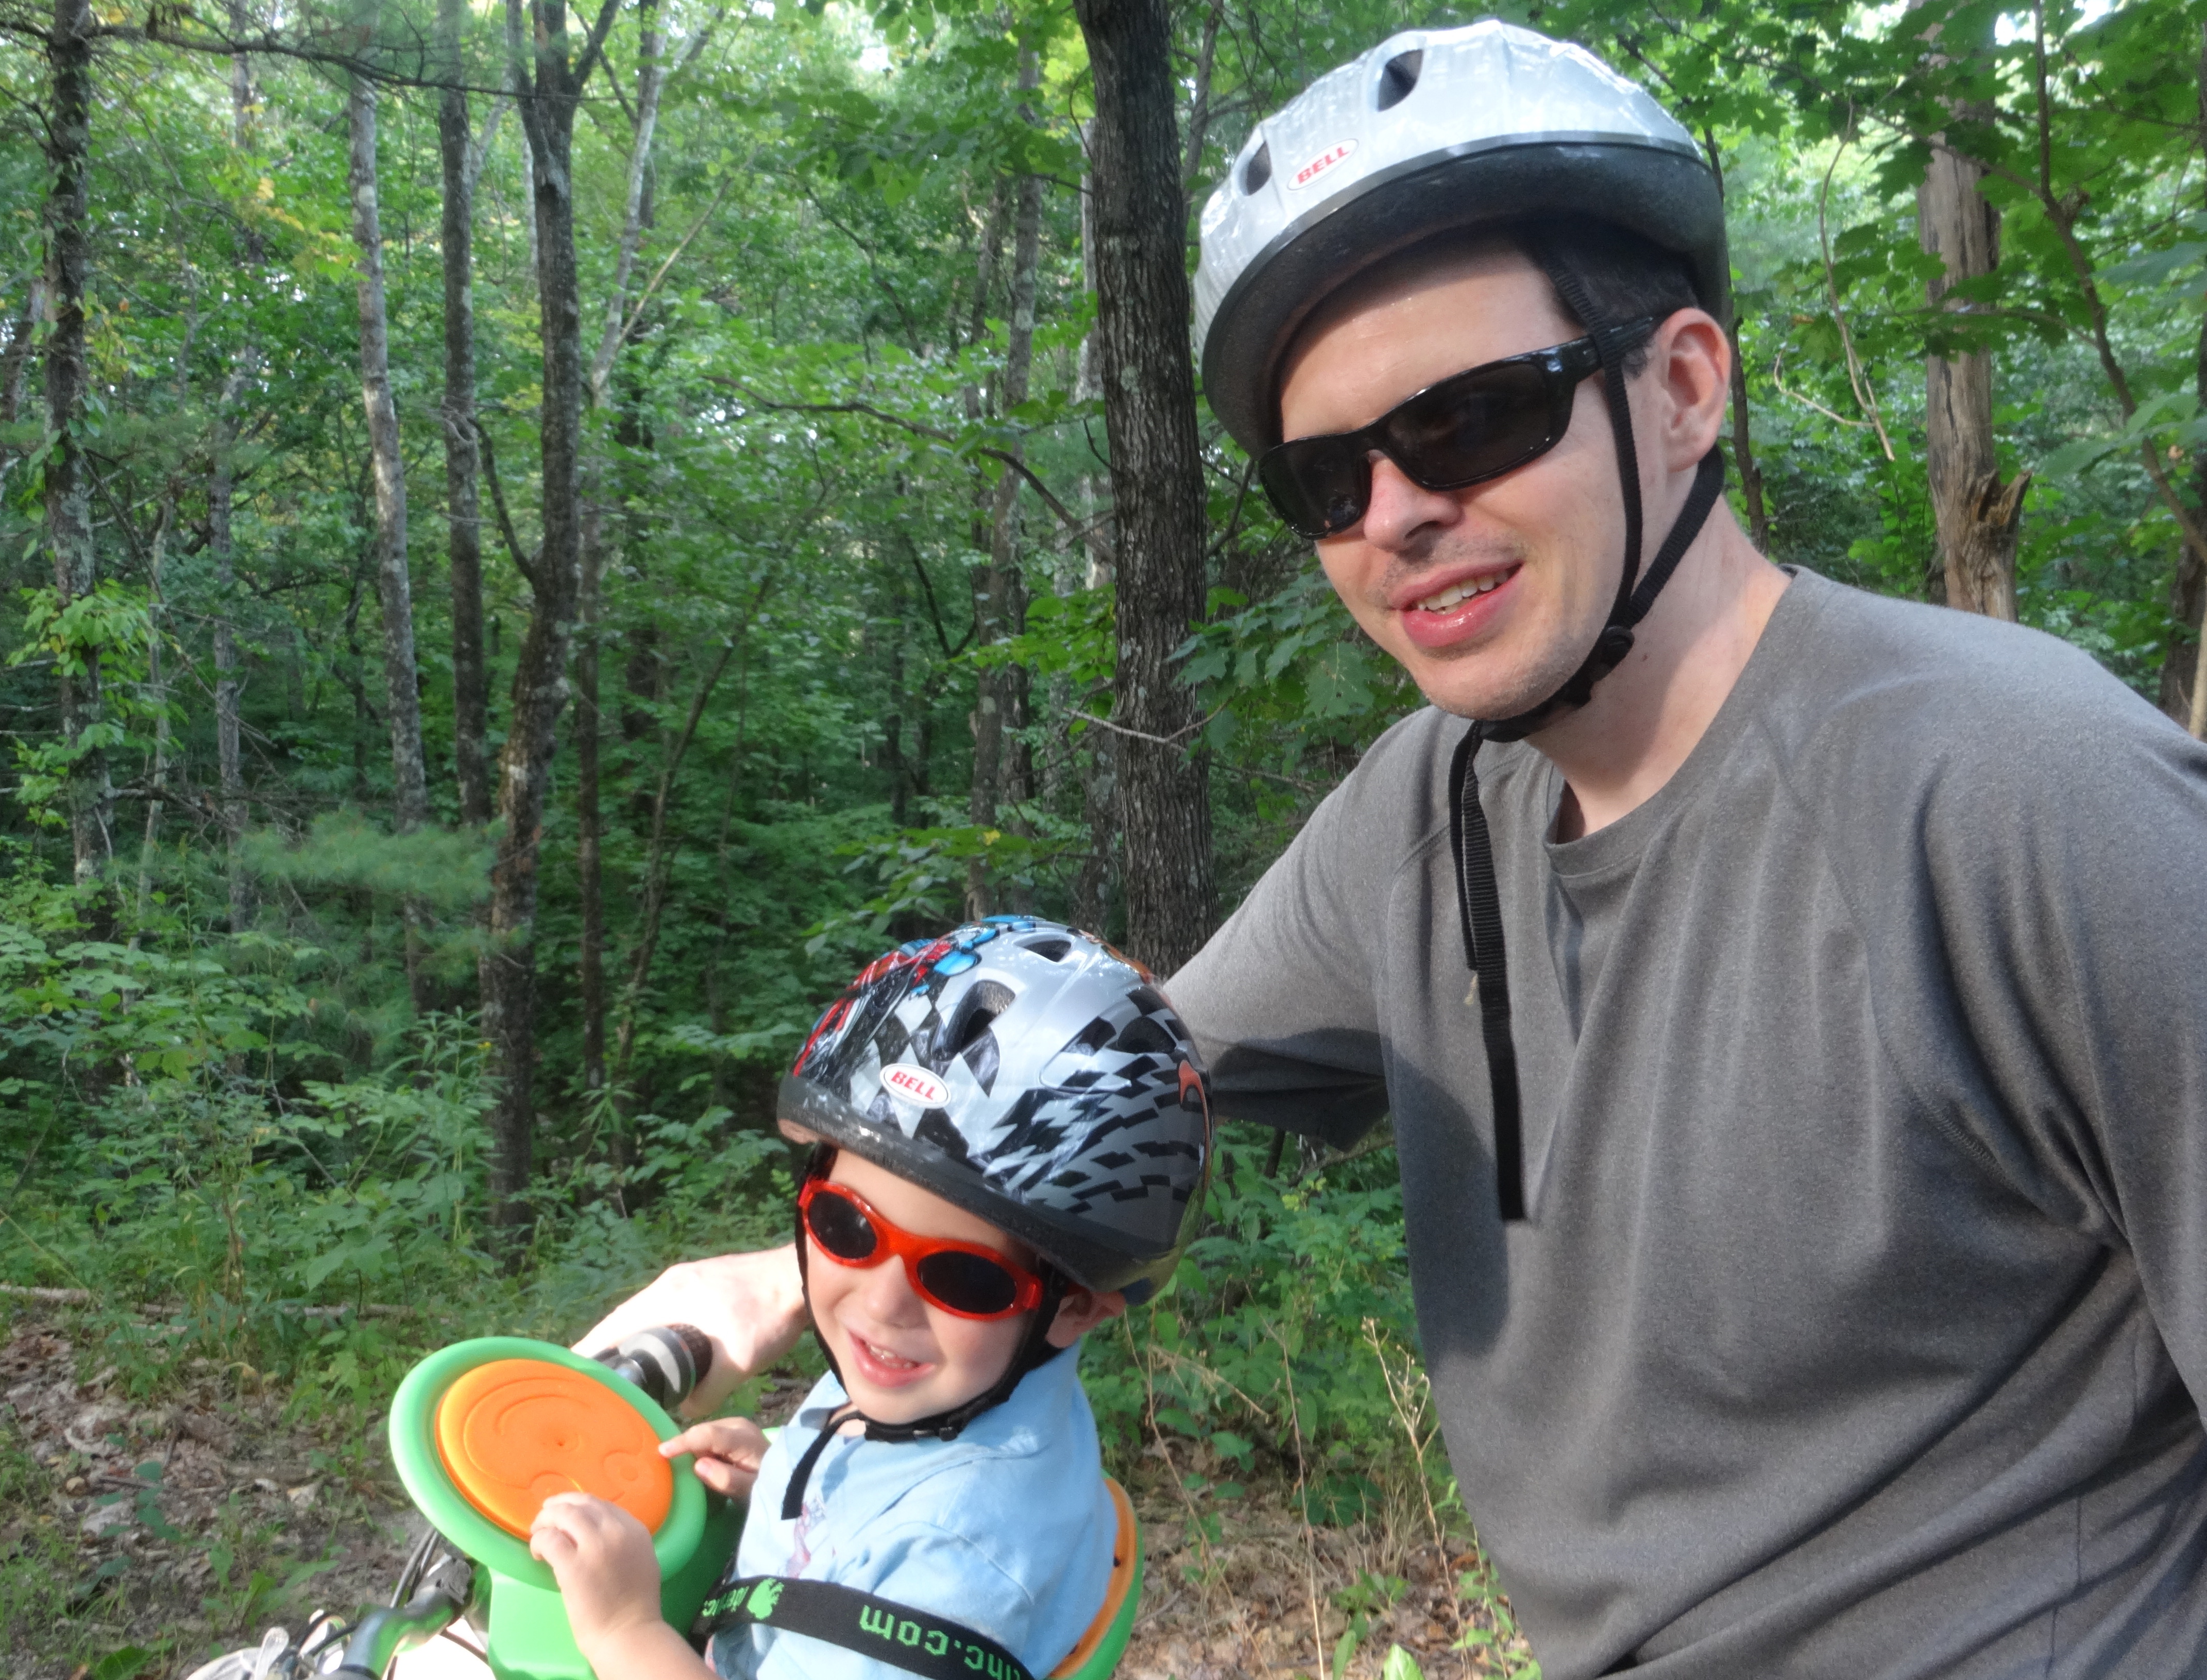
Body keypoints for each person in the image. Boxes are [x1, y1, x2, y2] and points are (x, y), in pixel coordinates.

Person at [582, 20, 2207, 1679]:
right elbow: (1071, 1100)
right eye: (1323, 476)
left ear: (1682, 387)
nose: (1393, 513)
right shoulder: (1427, 812)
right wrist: (775, 1274)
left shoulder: (2022, 792)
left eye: (1474, 416)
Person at [543, 918, 1210, 1680]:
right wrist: (796, 1497)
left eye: (963, 1277)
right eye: (846, 1226)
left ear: (1078, 1306)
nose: (882, 1302)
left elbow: (923, 1562)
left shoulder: (955, 1559)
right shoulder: (942, 1388)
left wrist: (625, 1630)